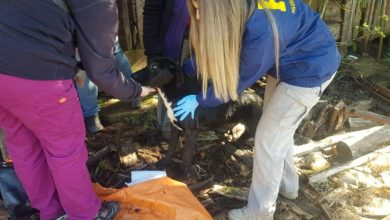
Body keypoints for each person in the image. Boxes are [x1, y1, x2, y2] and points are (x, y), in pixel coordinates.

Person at [175, 0, 340, 219]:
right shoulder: (243, 8)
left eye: (200, 9)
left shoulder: (262, 32)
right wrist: (185, 69)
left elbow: (236, 81)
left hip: (309, 70)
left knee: (267, 139)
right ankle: (288, 184)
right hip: (288, 61)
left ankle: (259, 212)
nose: (197, 15)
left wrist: (200, 99)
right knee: (279, 131)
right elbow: (225, 47)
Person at [0, 1, 154, 220]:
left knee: (22, 144)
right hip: (40, 74)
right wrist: (136, 91)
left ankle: (50, 212)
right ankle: (86, 214)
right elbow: (101, 71)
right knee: (65, 150)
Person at [143, 0, 190, 139]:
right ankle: (167, 130)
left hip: (207, 42)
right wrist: (153, 53)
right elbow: (151, 12)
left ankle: (190, 126)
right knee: (169, 86)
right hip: (173, 42)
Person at [77, 37, 140, 134]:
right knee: (84, 66)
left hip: (100, 30)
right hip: (81, 36)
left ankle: (135, 92)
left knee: (115, 54)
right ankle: (91, 116)